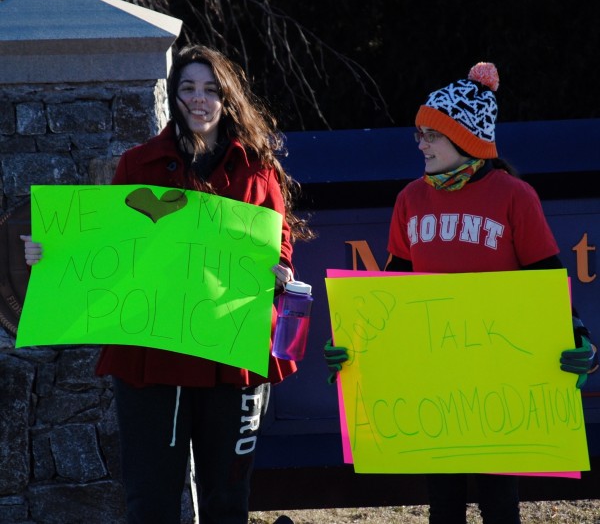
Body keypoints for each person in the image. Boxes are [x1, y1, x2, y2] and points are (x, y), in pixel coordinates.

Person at [21, 44, 313, 524]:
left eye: (210, 90)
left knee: (227, 502)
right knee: (151, 503)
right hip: (152, 360)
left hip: (231, 356)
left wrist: (281, 272)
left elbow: (277, 244)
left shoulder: (257, 169)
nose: (199, 100)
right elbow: (108, 246)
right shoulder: (137, 165)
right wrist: (50, 255)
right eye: (188, 88)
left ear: (227, 98)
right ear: (174, 96)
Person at [324, 62, 597, 524]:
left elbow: (547, 278)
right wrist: (357, 345)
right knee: (443, 507)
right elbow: (393, 292)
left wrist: (578, 335)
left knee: (499, 505)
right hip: (435, 382)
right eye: (419, 134)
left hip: (499, 381)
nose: (420, 144)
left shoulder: (514, 195)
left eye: (431, 134)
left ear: (466, 139)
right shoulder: (410, 199)